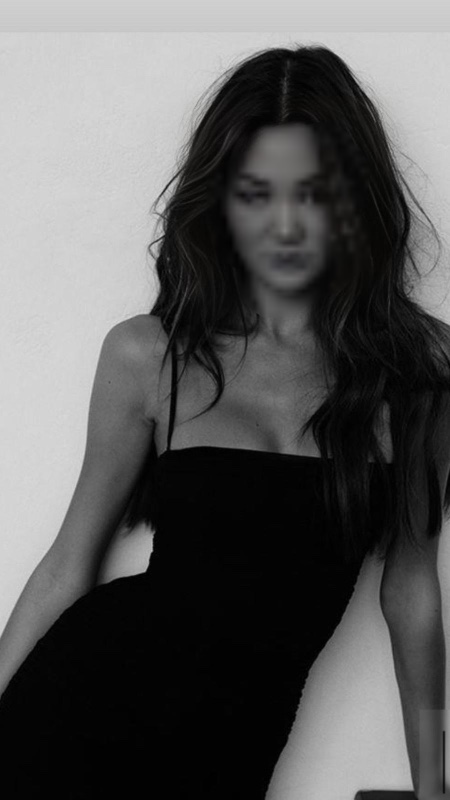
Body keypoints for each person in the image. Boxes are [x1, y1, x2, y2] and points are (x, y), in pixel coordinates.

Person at [0, 43, 449, 799]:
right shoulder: (152, 356)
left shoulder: (416, 376)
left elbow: (411, 591)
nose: (284, 224)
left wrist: (433, 783)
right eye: (256, 193)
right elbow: (67, 566)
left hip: (229, 755)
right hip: (68, 722)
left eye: (312, 192)